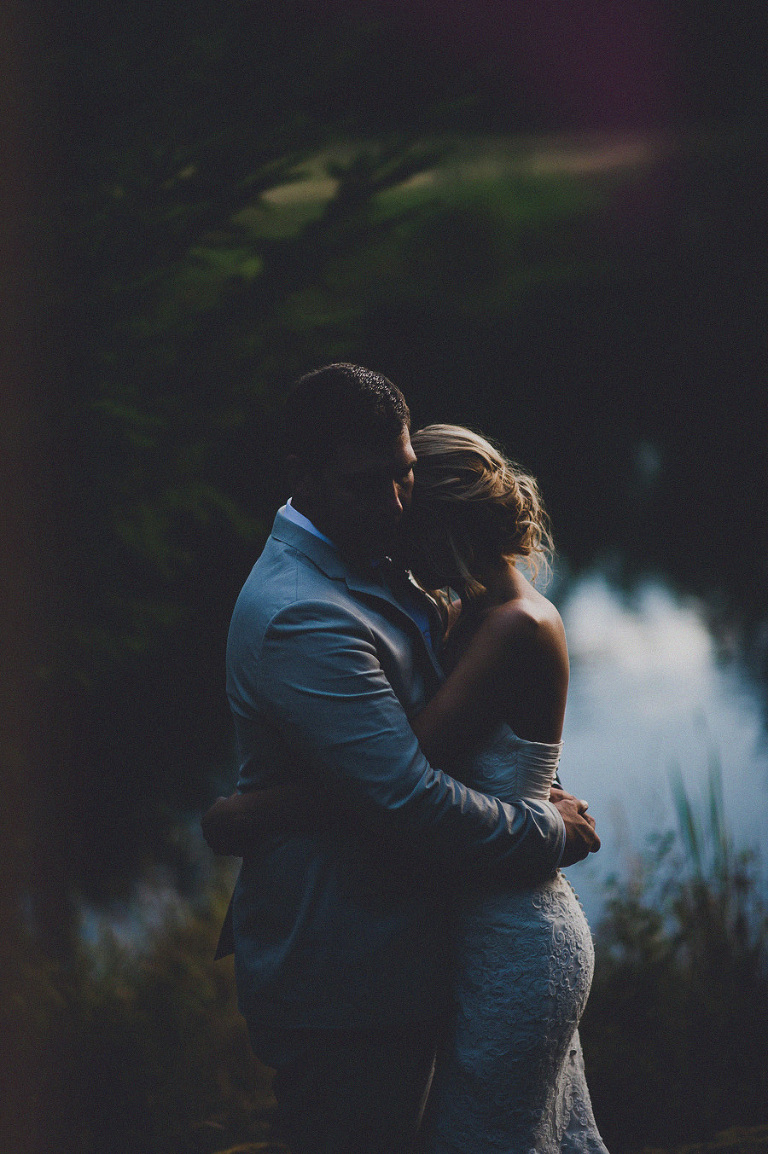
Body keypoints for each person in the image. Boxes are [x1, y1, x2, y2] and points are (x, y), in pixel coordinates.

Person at [207, 363, 600, 1154]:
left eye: (405, 476)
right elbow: (407, 796)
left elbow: (435, 758)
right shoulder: (301, 612)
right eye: (366, 483)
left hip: (433, 949)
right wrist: (545, 830)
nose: (393, 505)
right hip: (347, 975)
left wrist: (263, 812)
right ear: (302, 476)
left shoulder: (390, 565)